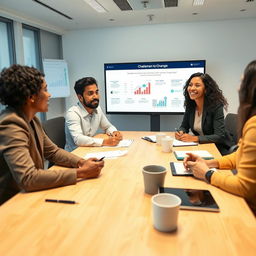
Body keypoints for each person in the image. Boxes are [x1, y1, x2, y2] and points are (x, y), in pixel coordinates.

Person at [0, 65, 104, 205]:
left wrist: (82, 162)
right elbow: (27, 178)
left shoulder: (31, 119)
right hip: (12, 203)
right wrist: (81, 173)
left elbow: (53, 152)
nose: (49, 95)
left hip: (28, 194)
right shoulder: (11, 124)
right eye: (45, 90)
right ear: (31, 96)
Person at [183, 60, 256, 214]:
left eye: (242, 82)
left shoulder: (254, 126)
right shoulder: (190, 105)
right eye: (190, 85)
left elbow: (245, 188)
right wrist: (209, 163)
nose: (238, 87)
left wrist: (207, 173)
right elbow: (239, 156)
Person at [175, 72, 233, 155]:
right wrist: (180, 132)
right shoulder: (191, 105)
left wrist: (194, 138)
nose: (192, 88)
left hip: (219, 148)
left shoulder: (216, 106)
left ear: (206, 89)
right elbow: (184, 126)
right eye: (190, 85)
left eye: (197, 85)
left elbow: (219, 136)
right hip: (203, 146)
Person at [65, 77, 123, 152]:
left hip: (90, 151)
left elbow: (107, 127)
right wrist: (105, 142)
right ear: (80, 97)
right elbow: (78, 139)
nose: (95, 96)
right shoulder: (73, 113)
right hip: (75, 155)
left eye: (96, 92)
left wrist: (114, 132)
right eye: (90, 93)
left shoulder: (97, 109)